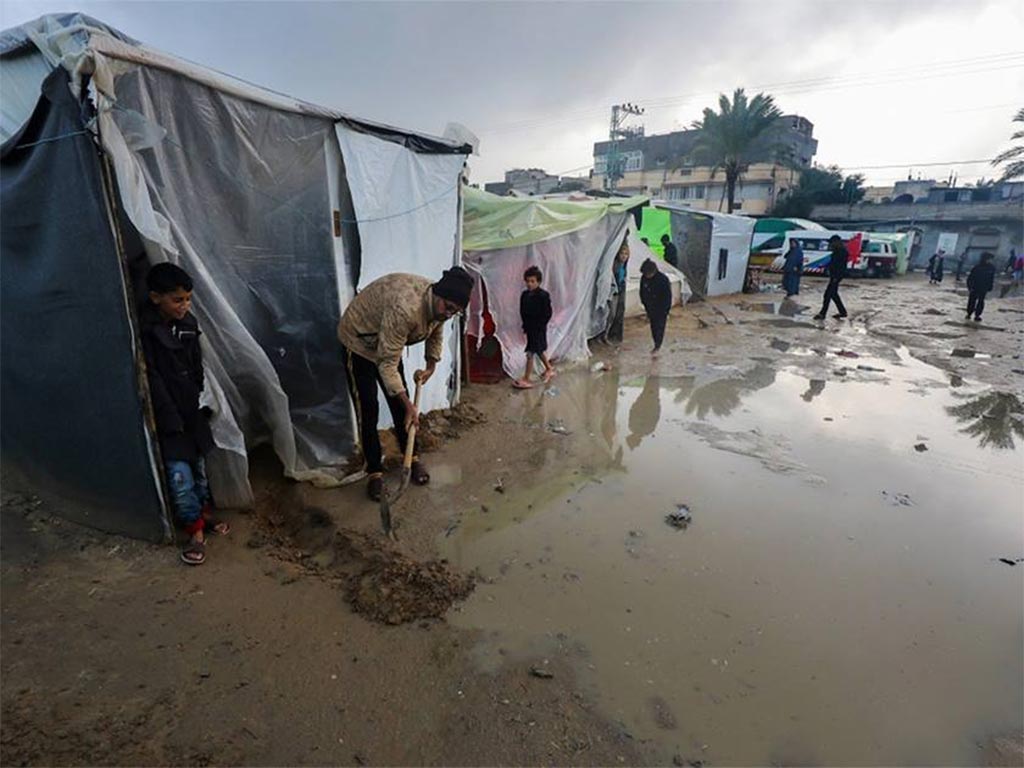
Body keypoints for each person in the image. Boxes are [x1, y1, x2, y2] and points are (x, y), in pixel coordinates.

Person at [337, 267, 473, 501]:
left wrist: (431, 364)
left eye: (455, 311)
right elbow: (387, 364)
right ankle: (374, 471)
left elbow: (436, 330)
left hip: (386, 340)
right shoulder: (406, 309)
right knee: (368, 407)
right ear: (438, 296)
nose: (449, 313)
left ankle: (412, 458)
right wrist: (409, 405)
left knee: (401, 406)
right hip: (359, 342)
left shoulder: (441, 306)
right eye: (448, 307)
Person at [140, 262, 225, 566]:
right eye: (177, 299)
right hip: (168, 415)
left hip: (191, 409)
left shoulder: (187, 325)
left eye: (188, 299)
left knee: (199, 469)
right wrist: (170, 416)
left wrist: (199, 397)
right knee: (180, 475)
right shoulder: (147, 332)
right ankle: (195, 531)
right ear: (155, 297)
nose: (184, 305)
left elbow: (196, 365)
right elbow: (152, 379)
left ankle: (202, 514)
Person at [514, 266, 555, 389]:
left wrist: (540, 325)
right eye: (528, 281)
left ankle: (527, 378)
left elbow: (547, 313)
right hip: (530, 328)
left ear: (539, 282)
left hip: (538, 328)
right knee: (539, 350)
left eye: (532, 281)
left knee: (530, 352)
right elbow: (522, 311)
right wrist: (525, 325)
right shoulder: (524, 295)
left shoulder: (543, 296)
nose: (529, 284)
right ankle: (549, 368)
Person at [639, 258, 672, 354]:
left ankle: (658, 345)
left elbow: (667, 297)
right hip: (650, 307)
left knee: (660, 327)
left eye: (648, 274)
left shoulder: (663, 279)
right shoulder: (644, 278)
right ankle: (656, 343)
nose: (647, 276)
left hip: (661, 307)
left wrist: (666, 310)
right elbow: (642, 292)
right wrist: (645, 304)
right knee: (653, 326)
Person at [814, 235, 849, 321]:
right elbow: (833, 263)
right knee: (833, 294)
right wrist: (825, 266)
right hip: (834, 275)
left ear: (835, 242)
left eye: (831, 243)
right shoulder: (837, 251)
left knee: (828, 294)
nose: (830, 244)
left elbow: (840, 266)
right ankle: (842, 312)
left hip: (836, 276)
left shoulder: (841, 252)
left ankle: (822, 313)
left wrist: (836, 277)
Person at [606, 235, 630, 342]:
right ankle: (606, 335)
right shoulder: (615, 265)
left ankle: (613, 335)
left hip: (620, 290)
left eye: (626, 254)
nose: (624, 256)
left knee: (618, 312)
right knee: (611, 314)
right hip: (613, 291)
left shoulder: (624, 265)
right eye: (622, 253)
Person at [965, 252, 996, 322]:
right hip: (975, 287)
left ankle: (977, 315)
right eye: (989, 259)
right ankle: (969, 313)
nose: (990, 260)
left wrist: (990, 286)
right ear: (985, 259)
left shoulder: (991, 268)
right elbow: (970, 278)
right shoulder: (977, 267)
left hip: (984, 288)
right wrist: (970, 287)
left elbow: (991, 278)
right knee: (972, 301)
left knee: (981, 301)